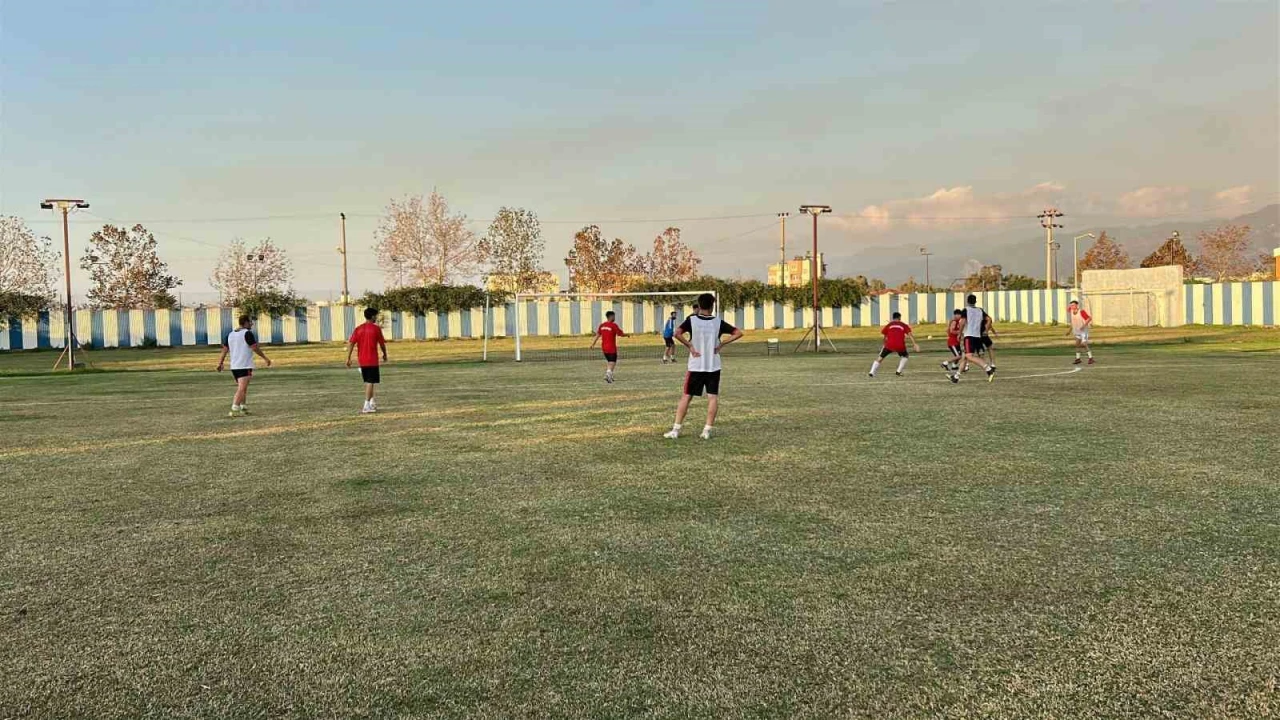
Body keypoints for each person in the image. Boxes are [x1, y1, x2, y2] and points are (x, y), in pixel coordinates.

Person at [664, 293, 743, 440]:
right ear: (712, 306)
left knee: (686, 397)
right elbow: (738, 333)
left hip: (696, 366)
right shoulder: (717, 322)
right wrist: (722, 344)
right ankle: (706, 431)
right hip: (713, 366)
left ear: (699, 306)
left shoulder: (692, 320)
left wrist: (690, 346)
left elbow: (677, 333)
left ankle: (675, 430)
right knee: (712, 397)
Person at [216, 315, 272, 417]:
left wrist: (220, 363)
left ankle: (243, 408)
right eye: (250, 322)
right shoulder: (247, 333)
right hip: (244, 365)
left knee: (243, 388)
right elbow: (254, 347)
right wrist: (265, 358)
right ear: (245, 322)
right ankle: (234, 408)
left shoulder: (230, 334)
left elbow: (224, 350)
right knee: (241, 388)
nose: (252, 324)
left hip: (234, 366)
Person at [346, 307, 388, 414]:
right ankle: (366, 405)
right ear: (372, 316)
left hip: (362, 360)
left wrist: (348, 357)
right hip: (372, 360)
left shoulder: (358, 329)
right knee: (370, 382)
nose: (376, 318)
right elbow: (382, 344)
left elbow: (351, 343)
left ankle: (372, 403)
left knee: (369, 382)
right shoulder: (376, 329)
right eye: (376, 316)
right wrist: (384, 354)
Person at [951, 295, 995, 383]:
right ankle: (956, 376)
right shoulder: (980, 310)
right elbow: (989, 319)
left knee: (969, 356)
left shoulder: (966, 310)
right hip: (977, 337)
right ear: (975, 301)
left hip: (969, 336)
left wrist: (959, 333)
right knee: (965, 357)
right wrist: (986, 330)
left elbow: (963, 322)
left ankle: (988, 369)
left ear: (967, 301)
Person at [869, 311, 920, 377]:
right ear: (899, 317)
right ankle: (898, 371)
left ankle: (872, 372)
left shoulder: (889, 325)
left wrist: (884, 344)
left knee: (880, 358)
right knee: (905, 356)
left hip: (889, 345)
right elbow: (910, 335)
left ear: (893, 318)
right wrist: (914, 344)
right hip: (900, 345)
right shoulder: (903, 325)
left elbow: (884, 335)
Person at [590, 310, 626, 383]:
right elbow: (620, 334)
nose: (614, 318)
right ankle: (608, 374)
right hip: (611, 347)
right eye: (614, 316)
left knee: (610, 361)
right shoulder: (613, 325)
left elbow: (598, 335)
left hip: (604, 347)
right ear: (611, 316)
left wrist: (593, 344)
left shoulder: (602, 325)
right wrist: (627, 335)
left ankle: (610, 375)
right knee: (612, 361)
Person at [1068, 300, 1094, 365]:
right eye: (1071, 305)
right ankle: (1078, 359)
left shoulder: (1081, 311)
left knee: (1084, 344)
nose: (1072, 306)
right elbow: (1072, 322)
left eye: (1073, 305)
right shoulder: (1071, 311)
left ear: (1077, 305)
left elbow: (1089, 318)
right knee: (1077, 345)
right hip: (1077, 331)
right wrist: (1069, 331)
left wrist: (1084, 326)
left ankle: (1091, 358)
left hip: (1083, 331)